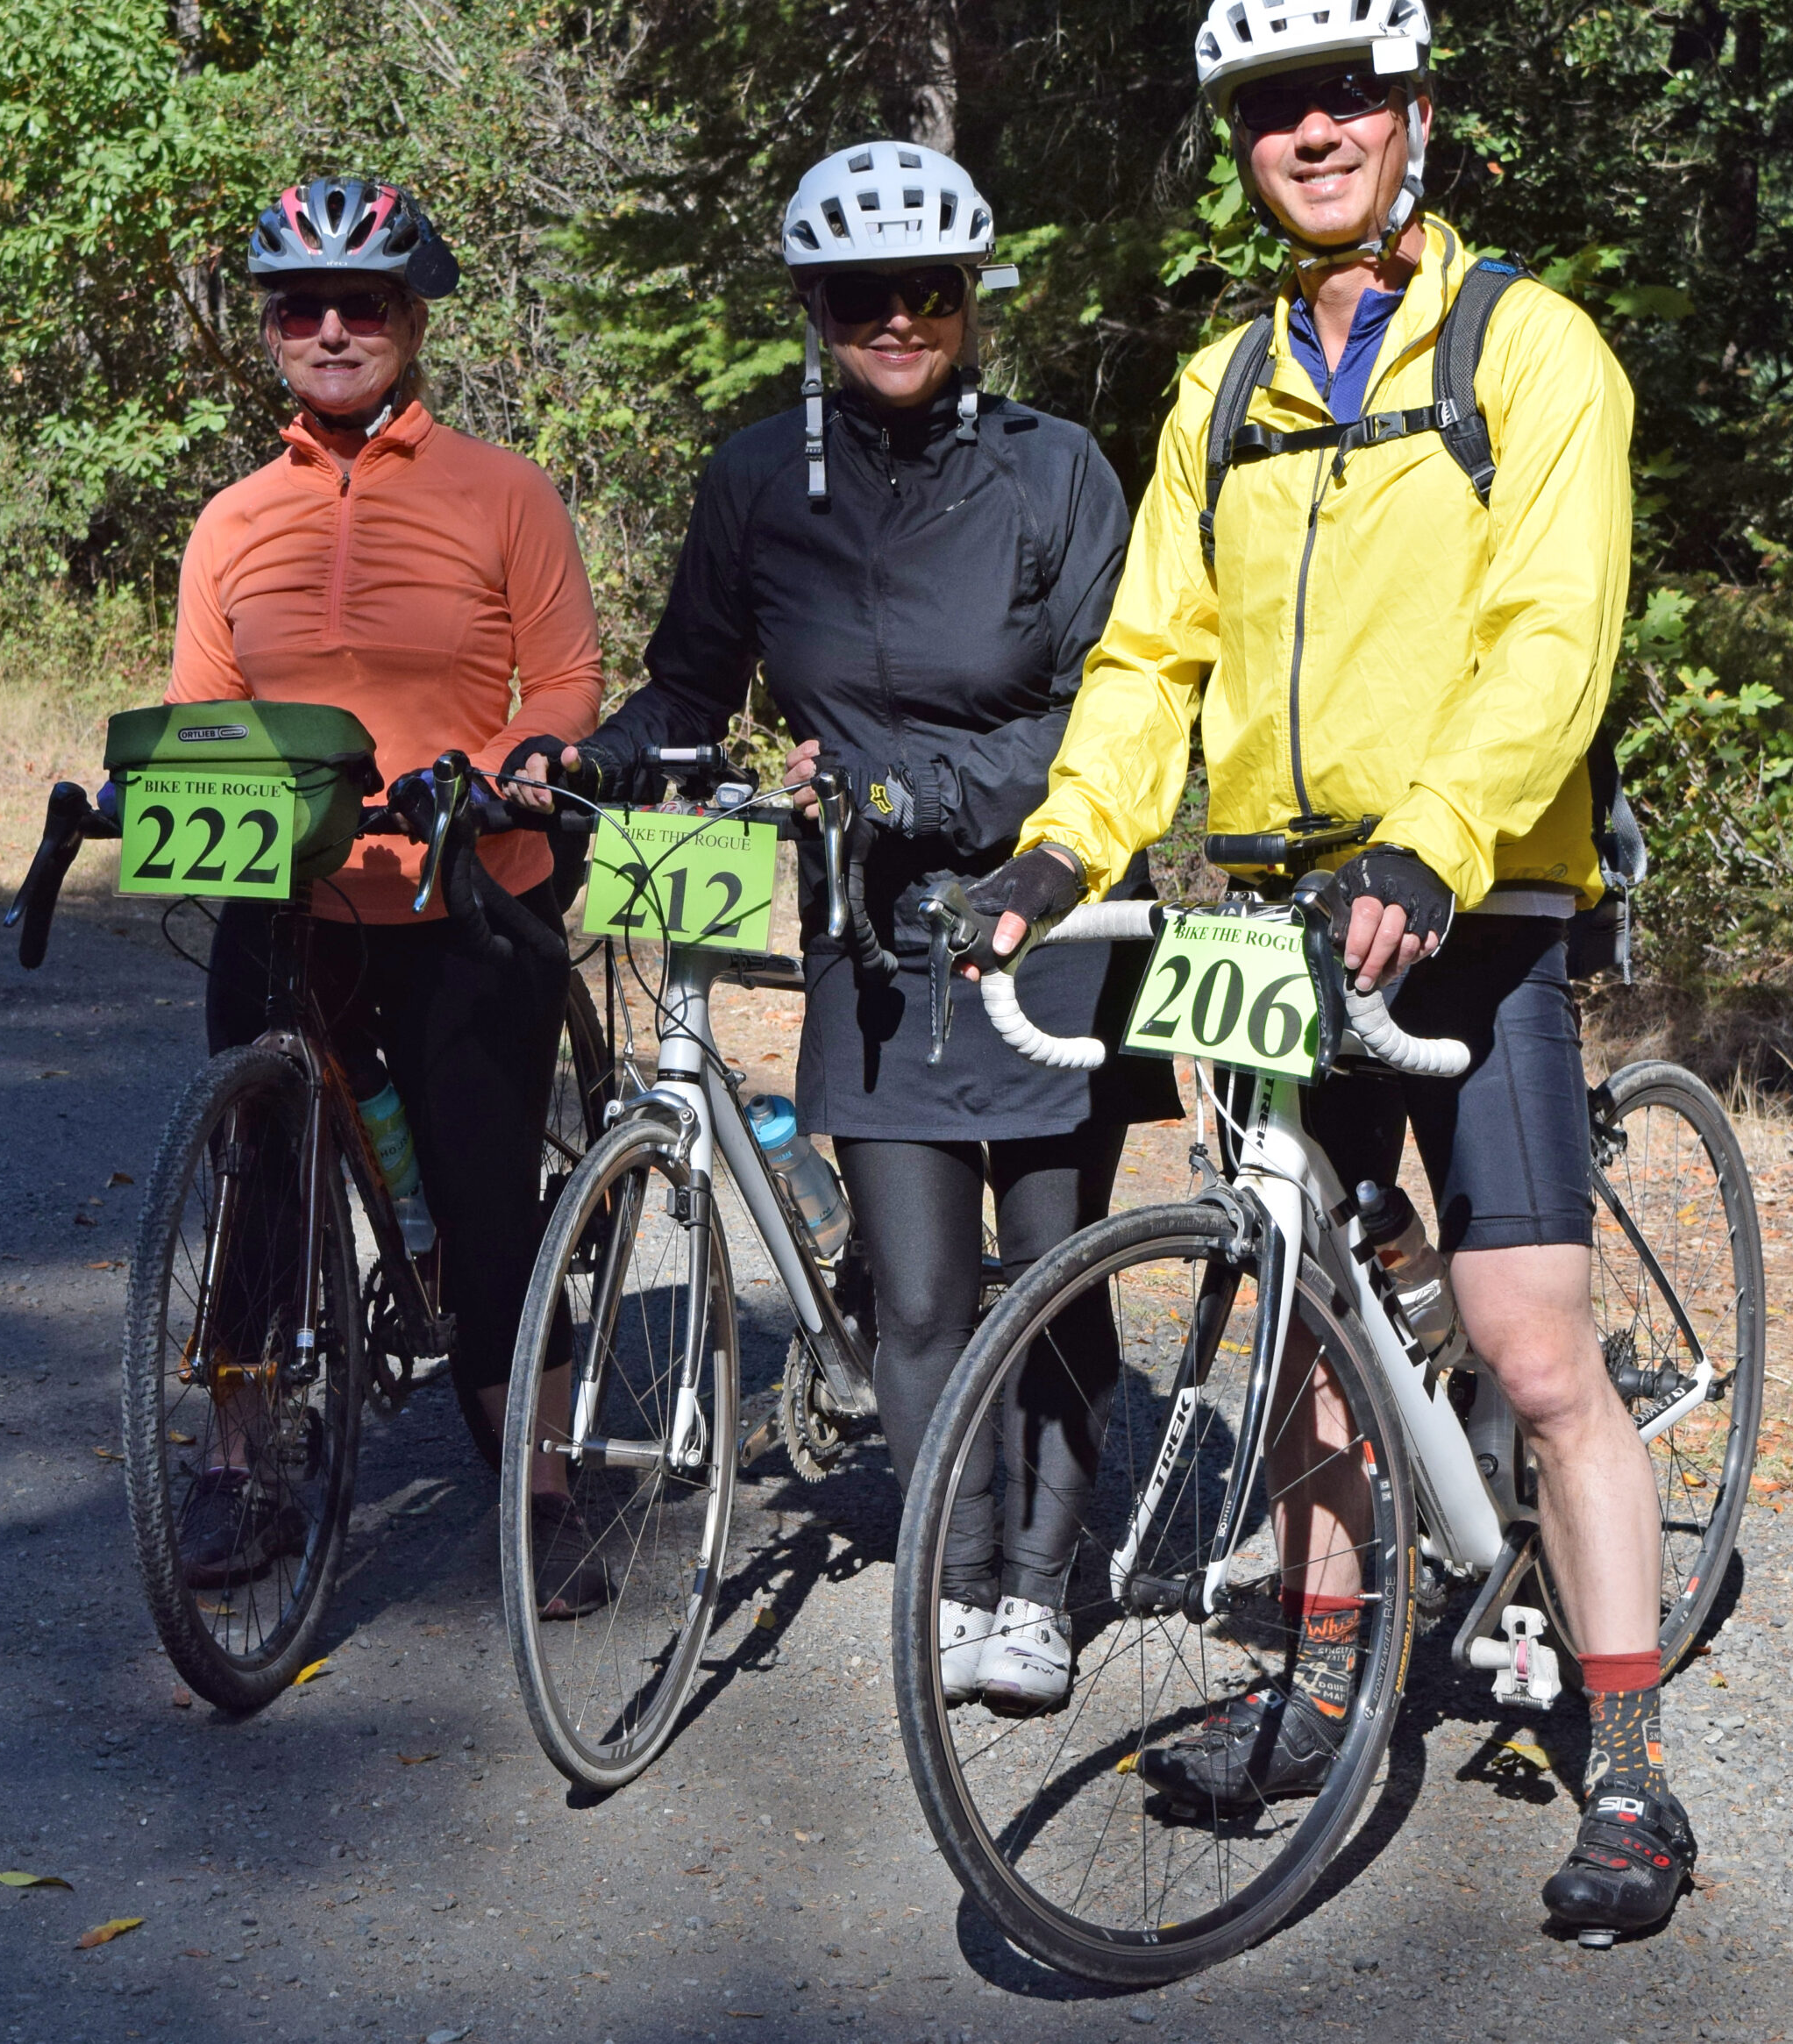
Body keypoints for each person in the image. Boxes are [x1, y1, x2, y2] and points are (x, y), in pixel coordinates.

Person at [971, 0, 1690, 1934]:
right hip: (1278, 909)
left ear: (1412, 116)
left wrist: (1436, 848)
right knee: (1295, 1319)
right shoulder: (1226, 387)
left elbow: (1555, 632)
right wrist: (1056, 854)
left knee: (1536, 1347)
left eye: (1343, 95)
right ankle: (1311, 1679)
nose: (1309, 129)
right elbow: (1145, 659)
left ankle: (1623, 1764)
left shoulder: (1531, 353)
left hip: (1469, 902)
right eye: (1272, 108)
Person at [561, 140, 1178, 1712]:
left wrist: (922, 793)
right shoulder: (761, 477)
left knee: (1051, 1268)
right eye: (860, 297)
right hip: (875, 936)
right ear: (815, 308)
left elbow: (1106, 714)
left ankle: (1043, 1579)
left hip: (1054, 913)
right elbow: (691, 687)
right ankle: (956, 1577)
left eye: (927, 293)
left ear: (971, 302)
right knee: (914, 1291)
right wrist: (590, 761)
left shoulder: (1057, 470)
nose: (895, 319)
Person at [166, 176, 606, 1601]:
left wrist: (518, 766)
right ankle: (241, 1465)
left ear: (414, 321)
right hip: (293, 895)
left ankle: (534, 1480)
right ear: (277, 333)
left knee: (486, 1203)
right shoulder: (234, 518)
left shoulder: (504, 490)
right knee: (255, 1184)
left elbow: (571, 679)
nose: (335, 329)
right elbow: (204, 709)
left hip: (467, 891)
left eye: (366, 305)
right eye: (306, 307)